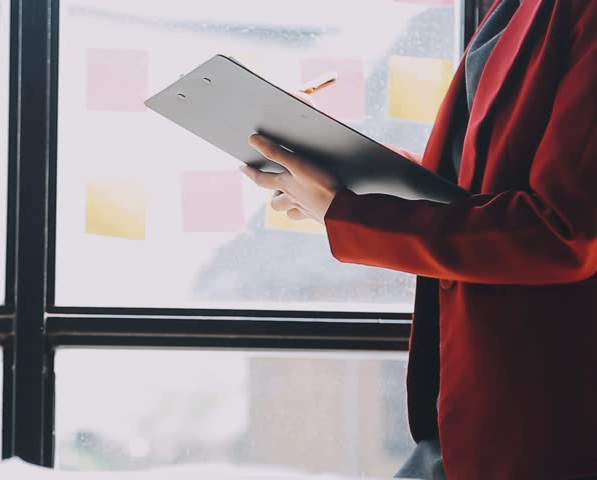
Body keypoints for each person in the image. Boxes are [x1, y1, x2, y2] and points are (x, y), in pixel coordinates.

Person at [240, 0, 596, 479]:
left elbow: (563, 233)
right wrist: (339, 174)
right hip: (475, 404)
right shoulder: (506, 9)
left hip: (542, 414)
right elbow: (474, 191)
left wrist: (351, 212)